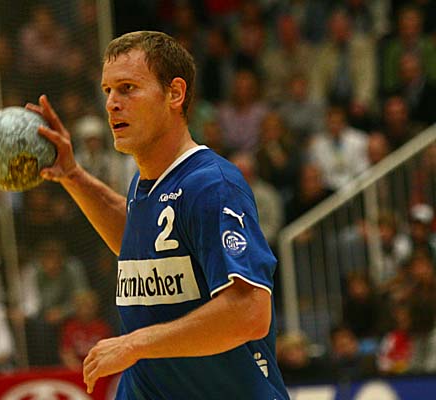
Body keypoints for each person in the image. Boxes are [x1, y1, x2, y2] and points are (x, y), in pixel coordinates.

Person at [27, 30, 288, 399]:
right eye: (107, 91)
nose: (111, 104)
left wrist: (135, 344)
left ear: (175, 94)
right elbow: (137, 241)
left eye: (128, 88)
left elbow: (250, 312)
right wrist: (72, 175)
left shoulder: (211, 185)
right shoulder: (145, 183)